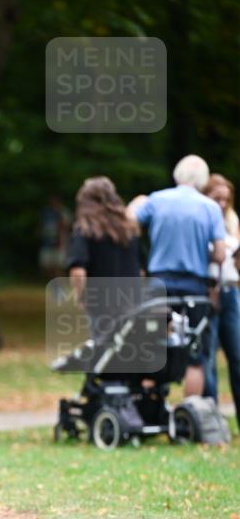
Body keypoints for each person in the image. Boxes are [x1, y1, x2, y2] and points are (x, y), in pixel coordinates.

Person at [127, 155, 227, 397]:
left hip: (159, 283)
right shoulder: (210, 207)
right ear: (203, 181)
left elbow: (129, 226)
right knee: (194, 353)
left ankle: (149, 405)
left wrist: (134, 204)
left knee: (152, 342)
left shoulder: (157, 199)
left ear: (177, 175)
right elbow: (221, 254)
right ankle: (191, 411)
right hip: (194, 286)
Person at [67, 176, 141, 335]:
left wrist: (82, 297)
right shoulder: (129, 230)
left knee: (103, 352)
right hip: (131, 303)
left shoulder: (85, 230)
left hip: (101, 304)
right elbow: (141, 270)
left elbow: (78, 270)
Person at [203, 173, 240, 424]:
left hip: (230, 291)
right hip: (207, 293)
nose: (223, 204)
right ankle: (211, 420)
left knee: (237, 356)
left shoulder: (232, 220)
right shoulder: (200, 220)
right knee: (207, 360)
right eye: (217, 198)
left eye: (226, 199)